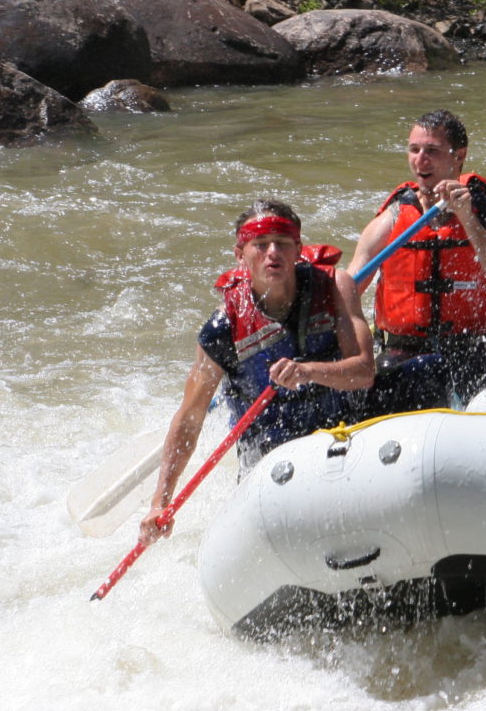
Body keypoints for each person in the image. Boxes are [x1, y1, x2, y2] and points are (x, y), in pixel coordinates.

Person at [139, 200, 439, 545]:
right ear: (241, 254)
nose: (272, 253)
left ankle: (425, 496)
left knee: (426, 371)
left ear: (298, 249)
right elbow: (190, 418)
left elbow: (363, 371)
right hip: (275, 452)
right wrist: (159, 504)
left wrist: (308, 371)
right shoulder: (222, 330)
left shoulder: (335, 287)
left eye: (282, 243)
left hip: (346, 427)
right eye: (260, 244)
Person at [350, 109, 486, 400]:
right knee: (388, 373)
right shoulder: (391, 219)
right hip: (407, 352)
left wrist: (467, 218)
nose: (420, 159)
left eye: (432, 150)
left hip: (470, 349)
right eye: (414, 150)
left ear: (459, 155)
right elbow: (347, 293)